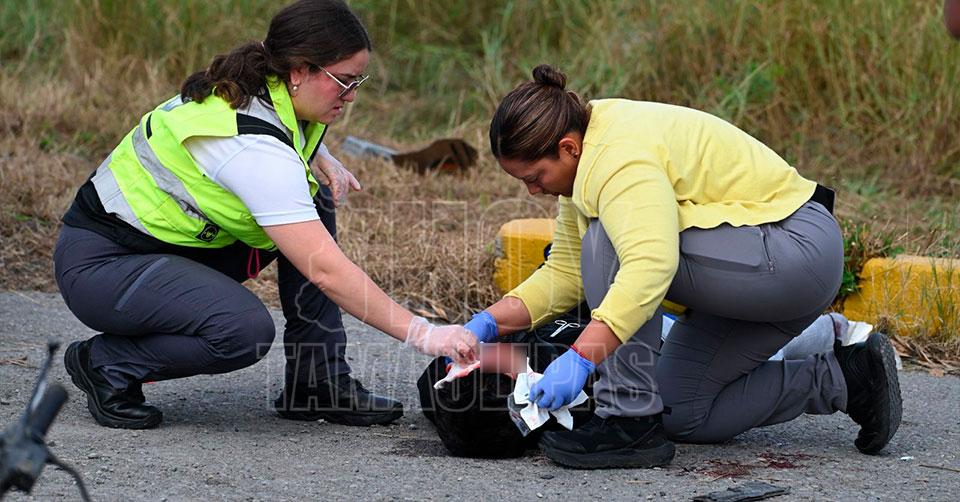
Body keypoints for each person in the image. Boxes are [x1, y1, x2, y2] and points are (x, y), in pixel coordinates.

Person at [54, 0, 477, 430]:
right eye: (343, 81)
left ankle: (317, 381)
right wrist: (425, 334)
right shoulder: (253, 149)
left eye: (358, 80)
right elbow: (325, 270)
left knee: (312, 197)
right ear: (298, 71)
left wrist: (320, 155)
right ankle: (106, 363)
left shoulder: (265, 86)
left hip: (166, 248)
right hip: (105, 267)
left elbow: (268, 143)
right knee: (242, 331)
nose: (352, 96)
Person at [464, 65, 902, 469]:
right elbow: (566, 271)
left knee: (607, 241)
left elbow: (649, 264)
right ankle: (846, 379)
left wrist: (580, 358)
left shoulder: (616, 158)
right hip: (757, 269)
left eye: (534, 177)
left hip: (795, 250)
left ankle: (626, 418)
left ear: (567, 148)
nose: (533, 191)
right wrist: (483, 325)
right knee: (682, 409)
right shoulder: (583, 164)